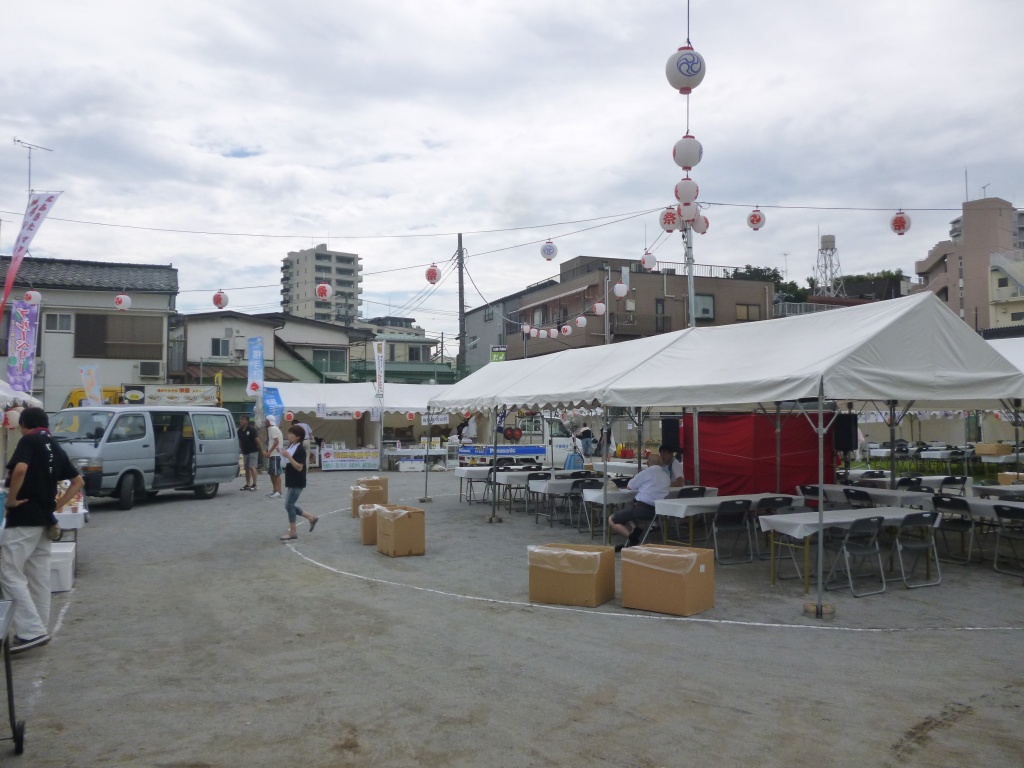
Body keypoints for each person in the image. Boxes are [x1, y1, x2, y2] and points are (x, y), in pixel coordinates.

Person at [1, 406, 85, 653]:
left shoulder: (29, 440)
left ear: (24, 424)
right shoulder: (55, 445)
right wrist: (56, 504)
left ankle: (30, 631)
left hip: (24, 516)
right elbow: (78, 481)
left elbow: (19, 469)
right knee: (38, 575)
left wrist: (11, 499)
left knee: (9, 572)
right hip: (44, 518)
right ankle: (39, 627)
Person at [608, 453, 671, 552]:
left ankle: (632, 538)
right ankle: (635, 529)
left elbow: (630, 486)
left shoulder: (646, 472)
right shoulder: (666, 476)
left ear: (649, 462)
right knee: (630, 509)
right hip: (658, 511)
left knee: (612, 519)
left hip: (642, 509)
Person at [279, 424, 319, 541]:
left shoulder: (300, 449)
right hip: (292, 479)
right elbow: (288, 460)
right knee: (289, 505)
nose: (289, 436)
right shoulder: (292, 446)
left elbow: (299, 467)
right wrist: (283, 454)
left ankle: (293, 531)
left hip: (297, 480)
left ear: (298, 437)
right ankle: (311, 518)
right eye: (289, 433)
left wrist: (288, 456)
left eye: (292, 434)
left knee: (289, 505)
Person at [237, 415, 262, 491]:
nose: (241, 421)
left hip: (253, 450)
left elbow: (257, 440)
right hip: (245, 451)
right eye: (240, 419)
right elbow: (240, 441)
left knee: (252, 466)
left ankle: (254, 484)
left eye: (243, 419)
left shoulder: (252, 430)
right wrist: (241, 449)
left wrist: (261, 449)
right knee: (246, 468)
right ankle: (247, 484)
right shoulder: (239, 431)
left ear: (247, 421)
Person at [263, 415, 284, 499]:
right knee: (272, 474)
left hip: (275, 454)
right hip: (273, 454)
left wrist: (269, 452)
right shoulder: (271, 429)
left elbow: (276, 441)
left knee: (276, 474)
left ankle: (279, 491)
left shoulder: (273, 429)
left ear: (269, 421)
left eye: (266, 420)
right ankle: (275, 490)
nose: (265, 422)